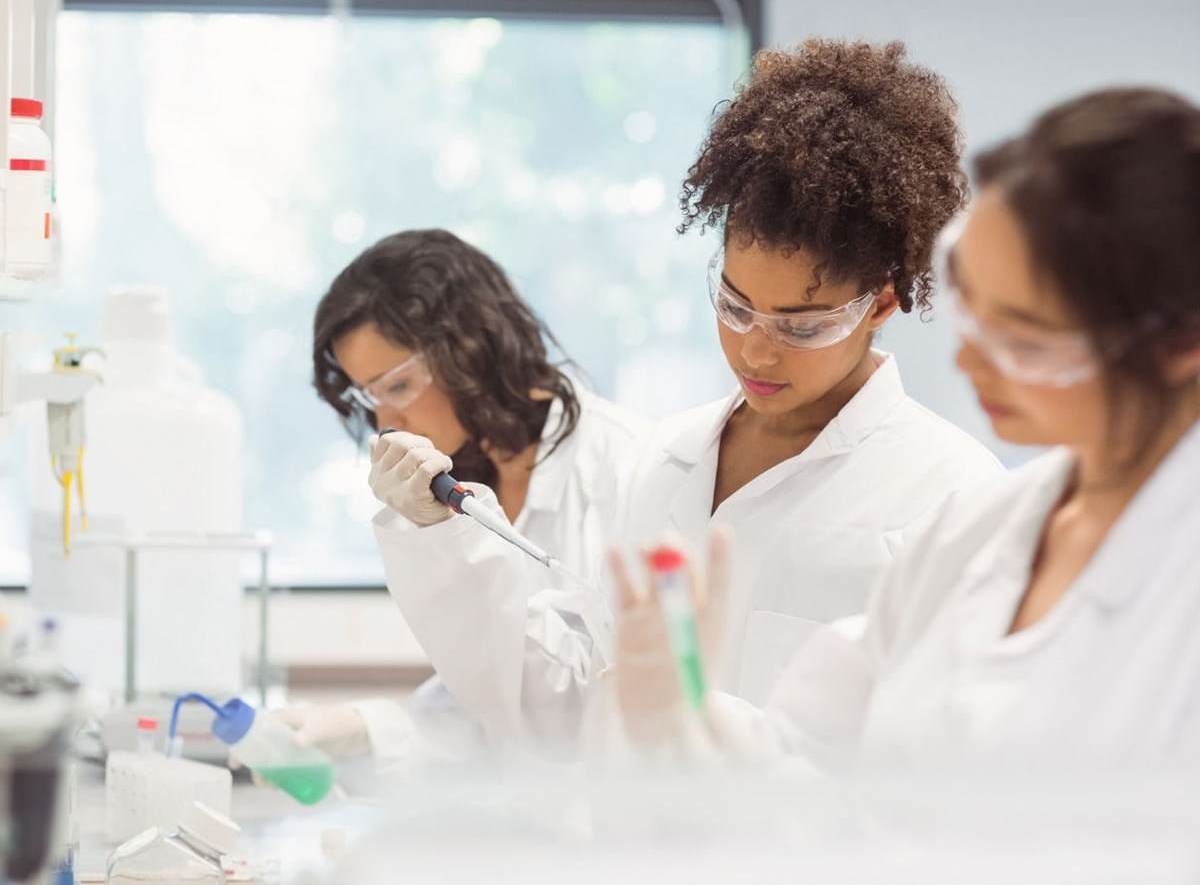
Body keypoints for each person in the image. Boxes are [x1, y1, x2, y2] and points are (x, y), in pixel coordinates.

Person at [368, 38, 1000, 754]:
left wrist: (707, 731)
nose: (755, 350)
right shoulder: (666, 460)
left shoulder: (952, 496)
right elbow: (570, 697)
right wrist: (442, 538)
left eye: (803, 325)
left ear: (880, 304)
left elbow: (931, 769)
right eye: (734, 306)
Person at [613, 86, 1200, 769]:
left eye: (1025, 339)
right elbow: (802, 761)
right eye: (971, 311)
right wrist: (686, 715)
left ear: (1177, 346)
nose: (966, 359)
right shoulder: (982, 531)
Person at [277, 228, 647, 770]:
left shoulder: (626, 467)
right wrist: (365, 728)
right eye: (369, 398)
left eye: (398, 388)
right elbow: (493, 699)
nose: (385, 424)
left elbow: (581, 706)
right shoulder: (469, 487)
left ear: (473, 350)